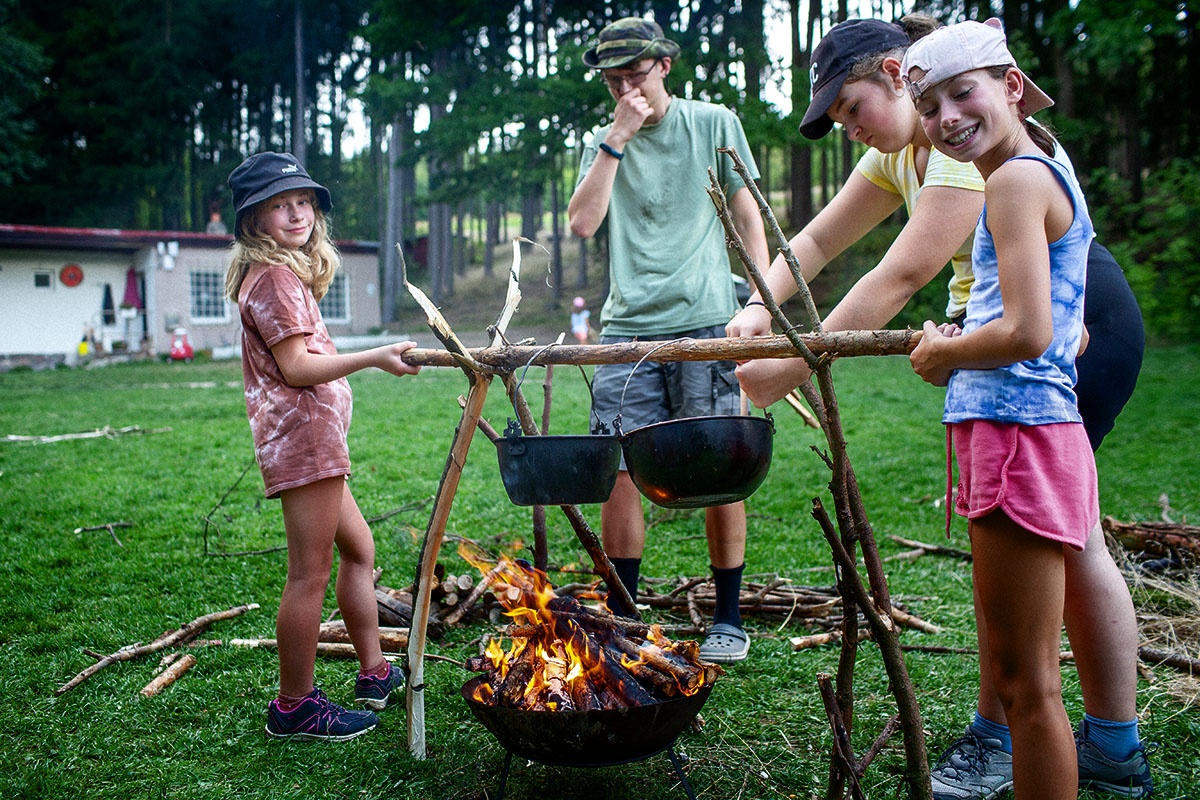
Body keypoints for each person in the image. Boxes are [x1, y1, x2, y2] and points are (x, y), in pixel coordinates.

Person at [725, 16, 1149, 799]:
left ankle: (1014, 734)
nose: (851, 130)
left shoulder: (980, 163)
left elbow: (896, 278)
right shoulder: (914, 148)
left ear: (895, 71)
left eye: (853, 108)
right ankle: (1097, 745)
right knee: (1068, 539)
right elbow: (815, 244)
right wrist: (759, 305)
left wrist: (791, 366)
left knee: (1057, 548)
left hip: (1059, 349)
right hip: (1010, 354)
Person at [568, 17, 771, 663]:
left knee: (721, 468)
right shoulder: (603, 141)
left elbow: (748, 213)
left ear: (665, 66)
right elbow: (581, 223)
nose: (628, 87)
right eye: (614, 79)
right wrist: (617, 139)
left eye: (638, 73)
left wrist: (761, 298)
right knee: (619, 475)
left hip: (710, 316)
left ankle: (728, 619)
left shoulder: (713, 122)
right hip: (627, 330)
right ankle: (626, 619)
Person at [224, 151, 421, 741]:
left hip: (315, 441)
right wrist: (376, 356)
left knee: (360, 551)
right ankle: (295, 707)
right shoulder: (277, 280)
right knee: (307, 575)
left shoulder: (280, 275)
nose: (295, 213)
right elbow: (298, 366)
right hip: (304, 441)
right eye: (279, 206)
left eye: (302, 201)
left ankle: (374, 672)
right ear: (254, 221)